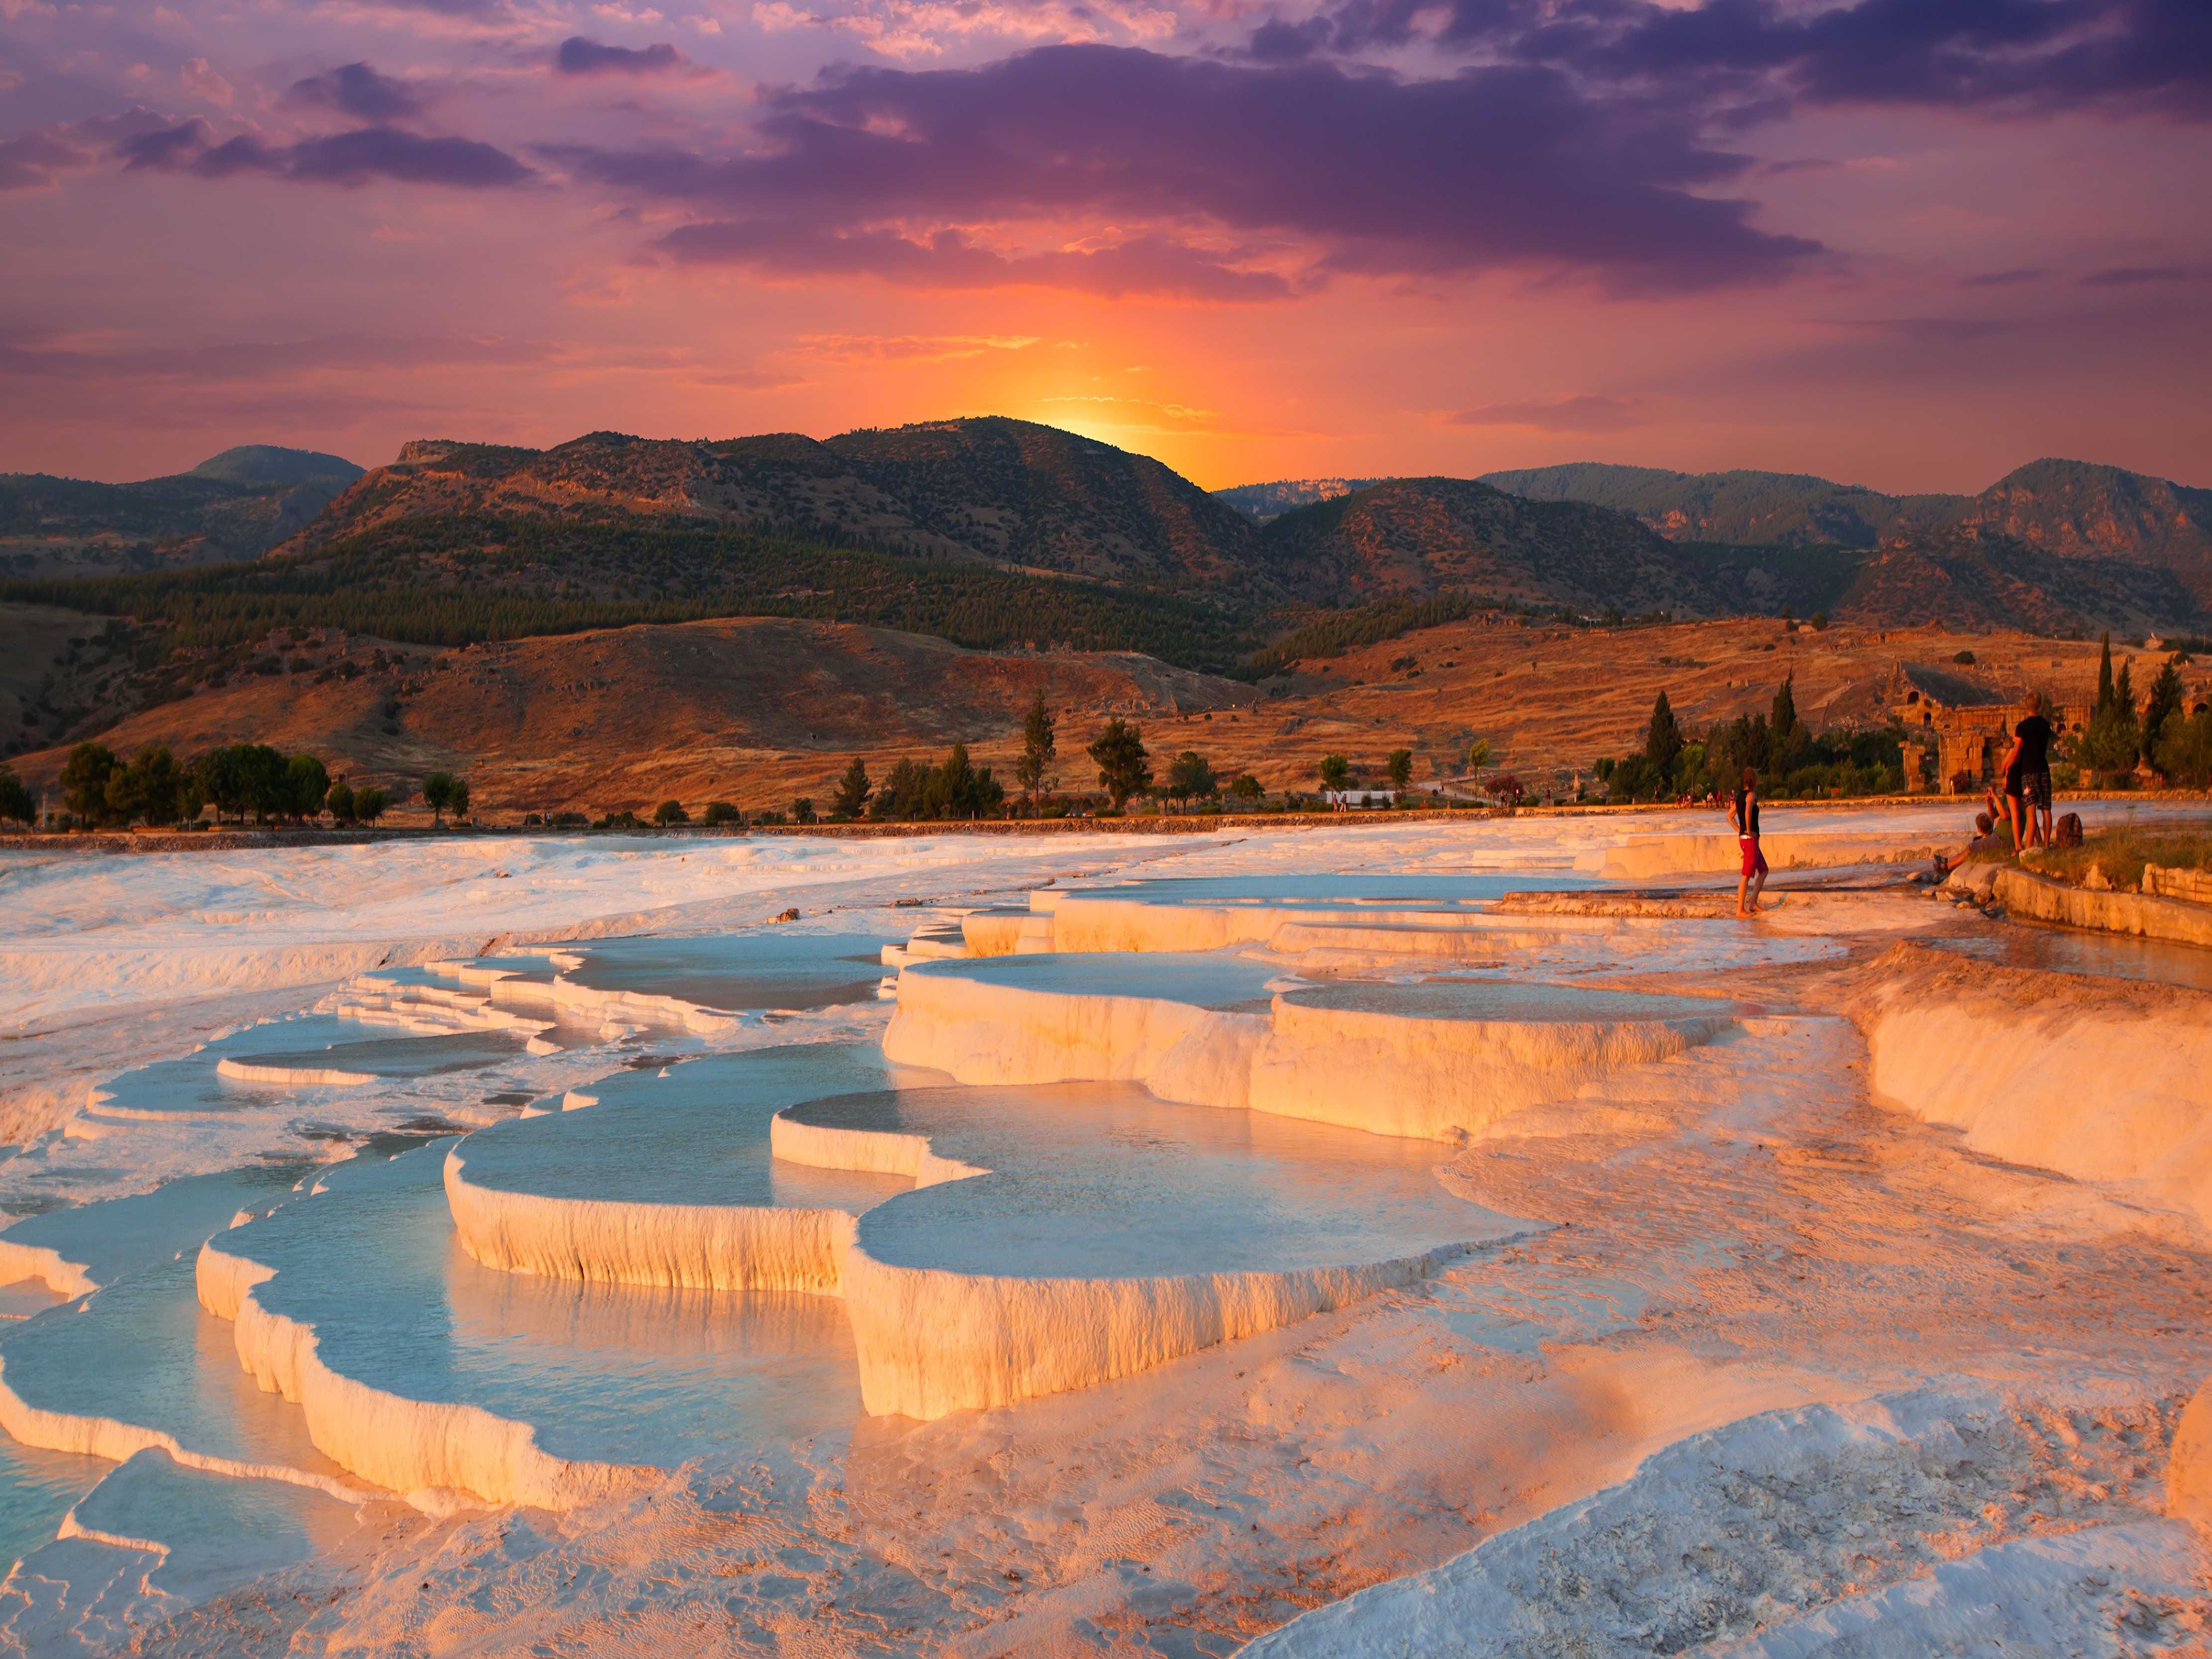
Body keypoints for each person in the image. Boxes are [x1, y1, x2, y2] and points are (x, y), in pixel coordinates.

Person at [1728, 766, 1767, 917]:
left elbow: (1729, 816)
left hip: (1747, 840)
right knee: (1746, 876)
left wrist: (1740, 830)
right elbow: (1748, 811)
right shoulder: (1751, 795)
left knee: (1764, 870)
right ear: (1753, 781)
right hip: (1750, 840)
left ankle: (1753, 903)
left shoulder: (1739, 796)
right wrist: (1748, 830)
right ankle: (1740, 910)